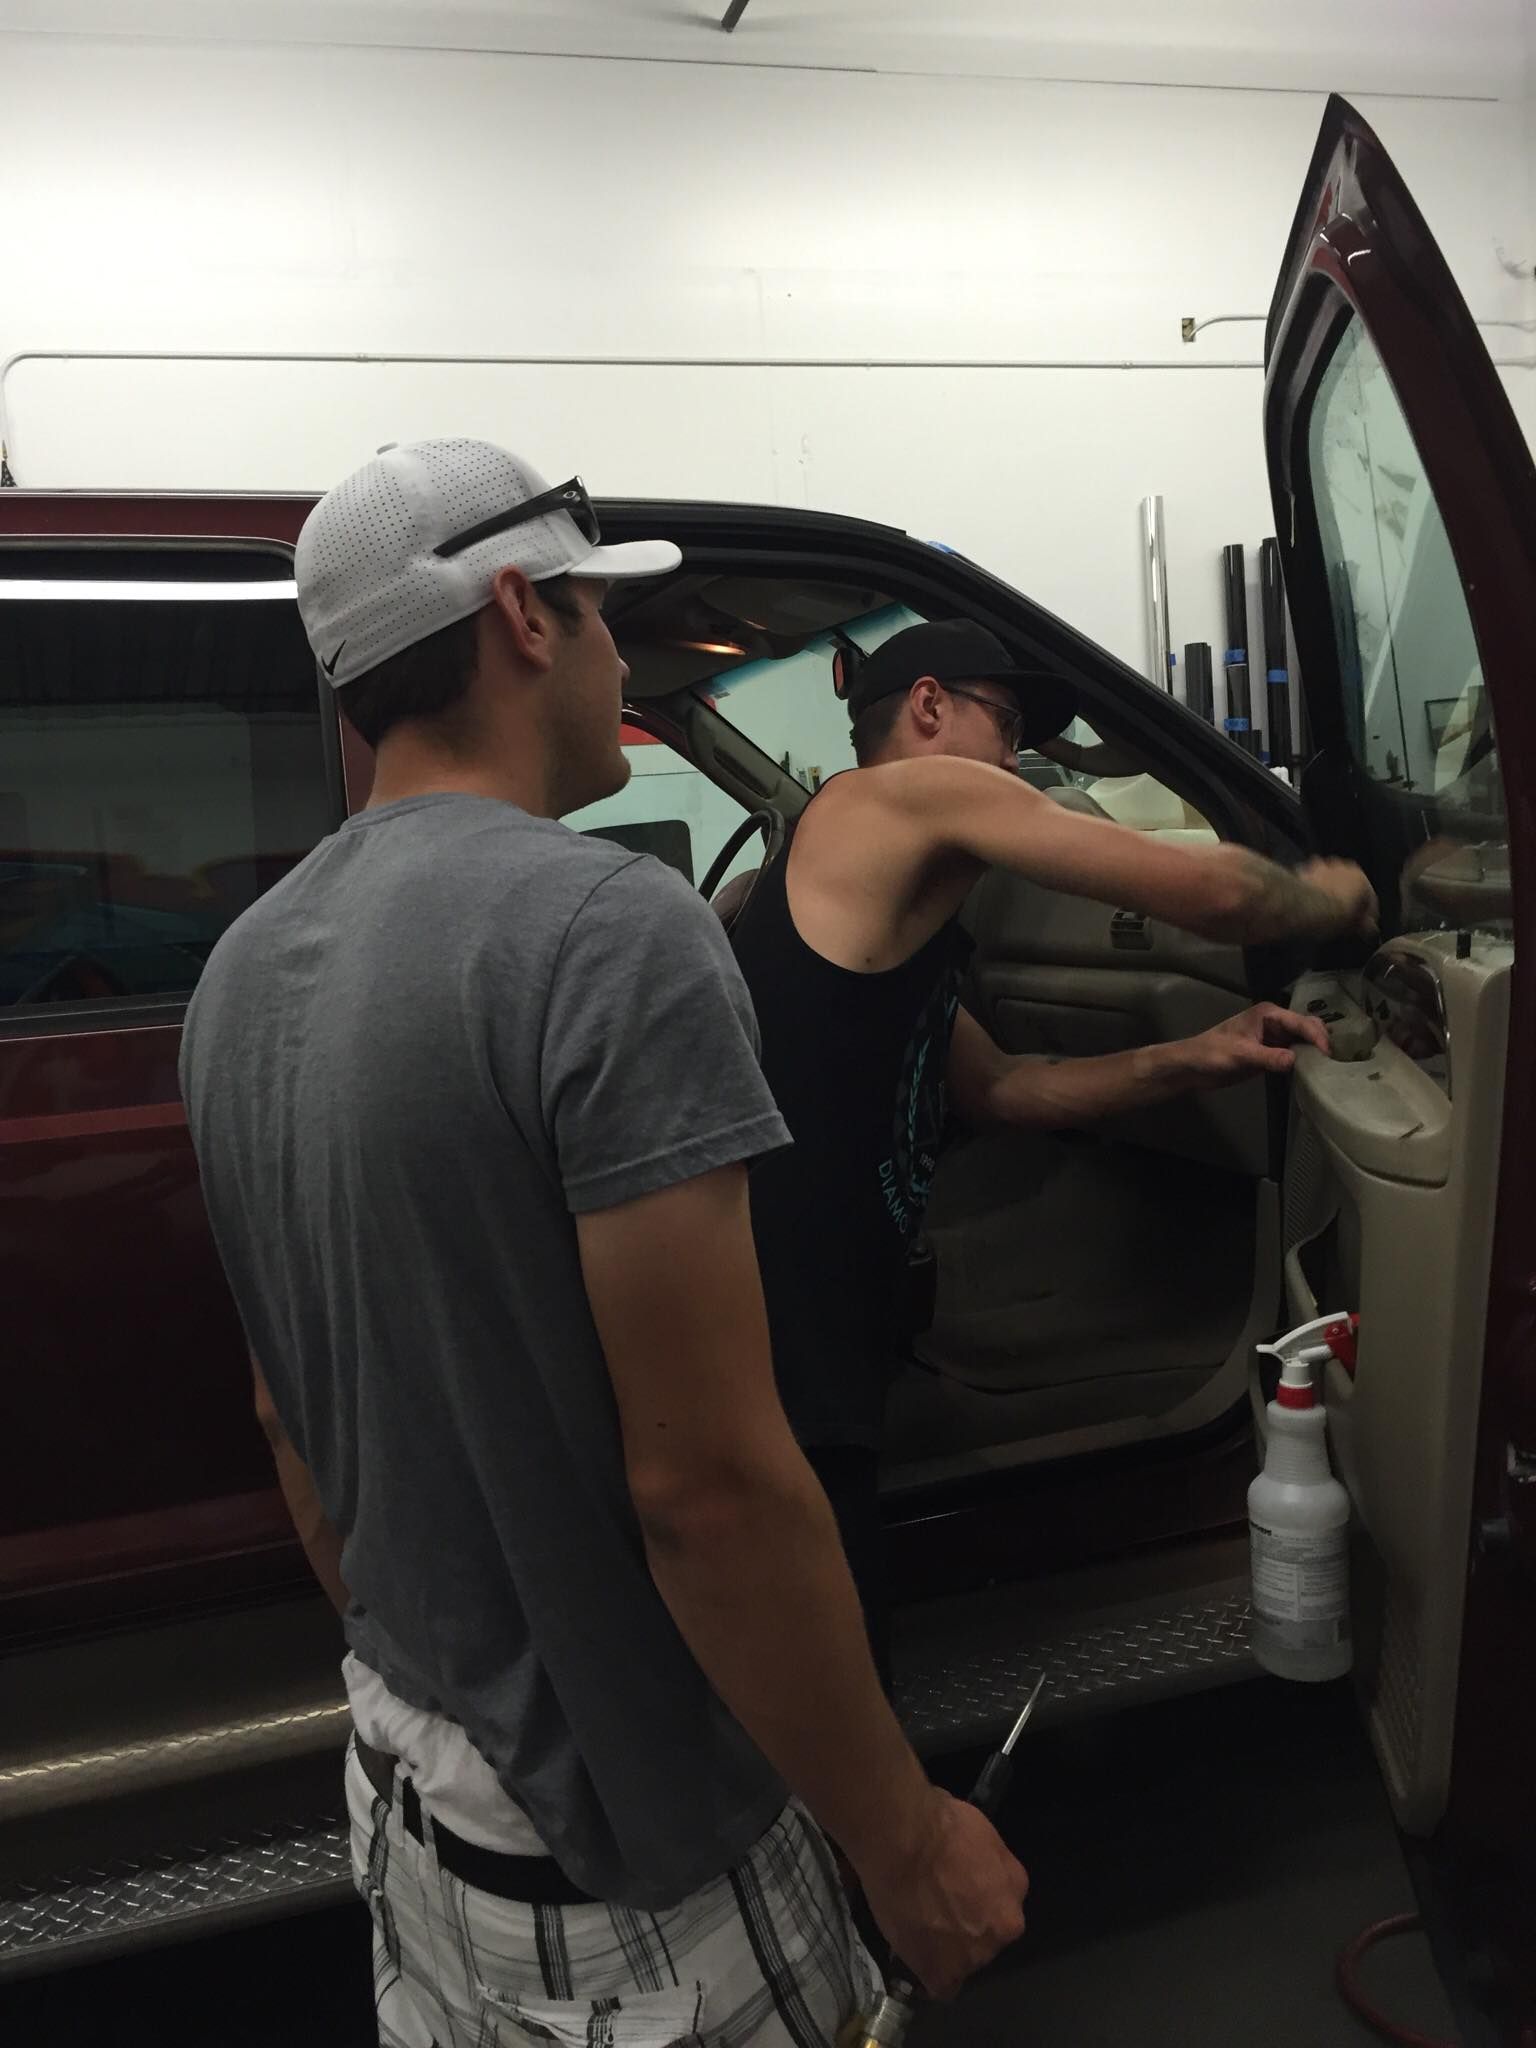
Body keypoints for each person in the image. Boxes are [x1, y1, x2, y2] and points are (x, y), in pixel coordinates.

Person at [179, 445, 1027, 2048]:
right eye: (600, 612)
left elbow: (292, 1418)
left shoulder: (242, 973)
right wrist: (903, 1839)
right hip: (637, 1866)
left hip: (414, 1797)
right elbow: (707, 1490)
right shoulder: (609, 932)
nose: (624, 658)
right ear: (519, 613)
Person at [727, 618, 1378, 1675]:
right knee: (826, 1671)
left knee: (827, 1636)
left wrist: (1198, 1054)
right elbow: (1210, 889)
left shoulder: (880, 906)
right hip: (788, 1333)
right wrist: (1338, 896)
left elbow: (1006, 1088)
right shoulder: (896, 793)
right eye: (1008, 723)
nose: (1015, 761)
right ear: (929, 708)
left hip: (818, 1319)